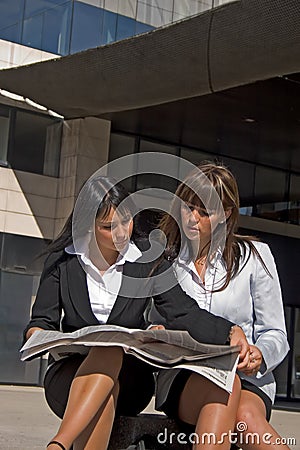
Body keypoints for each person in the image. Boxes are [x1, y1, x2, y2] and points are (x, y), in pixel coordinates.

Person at [23, 175, 248, 450]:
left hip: (131, 379)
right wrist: (41, 337)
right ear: (88, 226)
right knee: (105, 386)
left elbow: (182, 312)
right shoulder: (62, 263)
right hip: (71, 378)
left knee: (111, 351)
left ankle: (59, 444)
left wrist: (229, 332)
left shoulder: (148, 261)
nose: (121, 232)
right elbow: (40, 323)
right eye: (108, 226)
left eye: (126, 221)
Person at [155, 162, 290, 450]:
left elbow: (276, 333)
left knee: (245, 415)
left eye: (205, 212)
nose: (193, 218)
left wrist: (259, 354)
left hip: (247, 377)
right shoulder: (163, 262)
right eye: (188, 207)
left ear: (226, 214)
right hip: (184, 374)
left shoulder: (255, 257)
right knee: (223, 389)